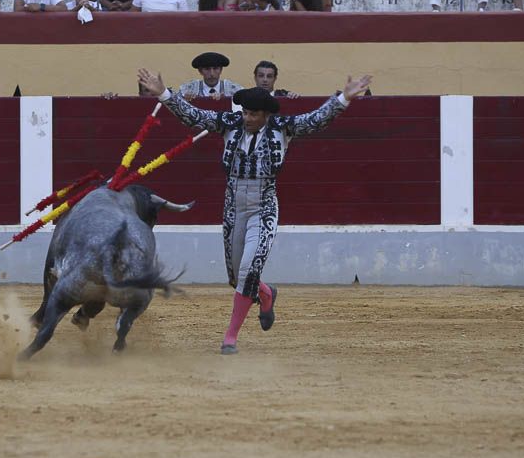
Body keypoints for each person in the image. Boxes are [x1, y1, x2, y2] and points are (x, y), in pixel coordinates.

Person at [136, 67, 372, 354]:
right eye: (245, 113)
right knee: (237, 278)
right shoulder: (230, 123)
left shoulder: (283, 128)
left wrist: (342, 100)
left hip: (264, 207)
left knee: (248, 270)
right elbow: (194, 116)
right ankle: (267, 294)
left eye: (253, 115)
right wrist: (163, 93)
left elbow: (315, 121)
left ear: (266, 115)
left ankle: (230, 338)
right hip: (233, 208)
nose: (247, 118)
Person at [177, 52, 243, 100]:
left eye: (215, 68)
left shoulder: (234, 90)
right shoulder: (187, 89)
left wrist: (228, 100)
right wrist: (184, 101)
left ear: (221, 70)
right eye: (207, 69)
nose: (212, 73)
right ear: (200, 71)